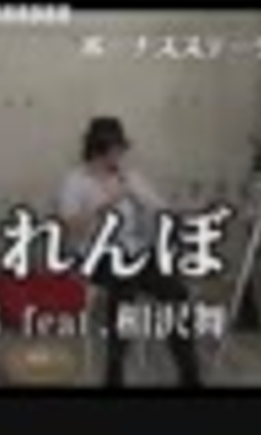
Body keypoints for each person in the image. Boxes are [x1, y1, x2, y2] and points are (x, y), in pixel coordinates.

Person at [56, 117, 201, 387]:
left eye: (121, 149)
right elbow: (71, 227)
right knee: (124, 290)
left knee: (176, 292)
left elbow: (160, 208)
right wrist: (105, 202)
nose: (119, 156)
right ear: (99, 149)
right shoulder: (75, 180)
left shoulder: (129, 176)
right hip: (95, 255)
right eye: (115, 150)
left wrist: (162, 208)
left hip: (134, 251)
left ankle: (190, 374)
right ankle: (114, 374)